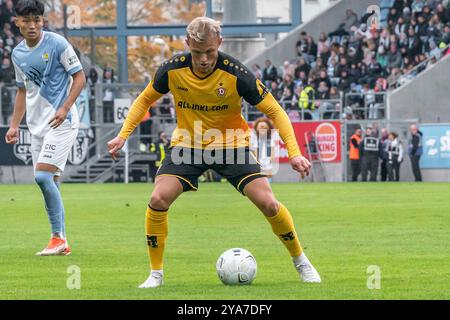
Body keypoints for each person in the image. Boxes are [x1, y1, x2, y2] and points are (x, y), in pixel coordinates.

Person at [107, 17, 321, 288]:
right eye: (197, 53)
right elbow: (144, 99)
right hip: (188, 146)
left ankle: (301, 261)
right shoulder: (171, 70)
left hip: (232, 146)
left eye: (210, 51)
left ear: (219, 43)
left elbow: (275, 110)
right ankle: (155, 274)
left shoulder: (237, 74)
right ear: (187, 45)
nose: (205, 59)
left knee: (268, 203)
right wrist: (123, 135)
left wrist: (294, 152)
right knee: (158, 198)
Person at [5, 0, 85, 255]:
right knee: (52, 182)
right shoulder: (17, 53)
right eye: (26, 20)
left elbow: (79, 77)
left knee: (41, 177)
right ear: (16, 22)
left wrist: (64, 108)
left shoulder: (58, 43)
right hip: (37, 126)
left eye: (36, 20)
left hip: (63, 121)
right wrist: (14, 125)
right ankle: (61, 243)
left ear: (43, 20)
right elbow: (22, 90)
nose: (32, 25)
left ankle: (57, 238)